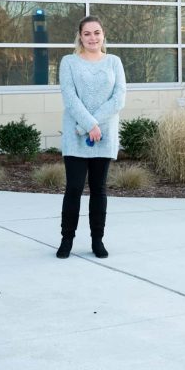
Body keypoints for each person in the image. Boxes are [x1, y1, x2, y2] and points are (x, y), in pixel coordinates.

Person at [57, 16, 127, 259]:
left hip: (104, 135)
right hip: (76, 137)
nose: (92, 38)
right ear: (80, 36)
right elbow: (69, 97)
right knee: (74, 188)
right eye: (87, 33)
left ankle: (97, 240)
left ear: (103, 35)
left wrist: (94, 126)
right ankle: (67, 240)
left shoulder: (114, 62)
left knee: (99, 189)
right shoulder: (69, 62)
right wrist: (87, 126)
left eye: (96, 32)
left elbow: (118, 99)